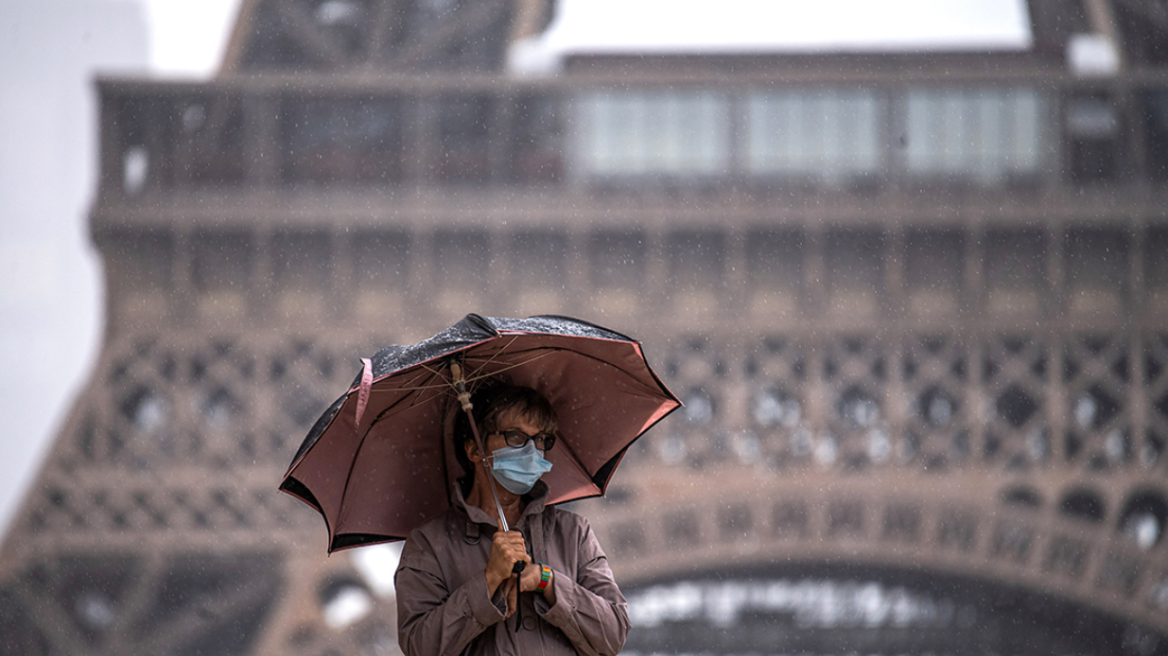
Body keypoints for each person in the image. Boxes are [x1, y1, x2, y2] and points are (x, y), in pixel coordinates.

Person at [395, 382, 630, 656]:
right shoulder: (429, 544)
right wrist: (489, 579)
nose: (532, 451)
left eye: (540, 439)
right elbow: (420, 647)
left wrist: (547, 581)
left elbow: (614, 633)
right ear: (474, 450)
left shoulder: (572, 532)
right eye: (516, 438)